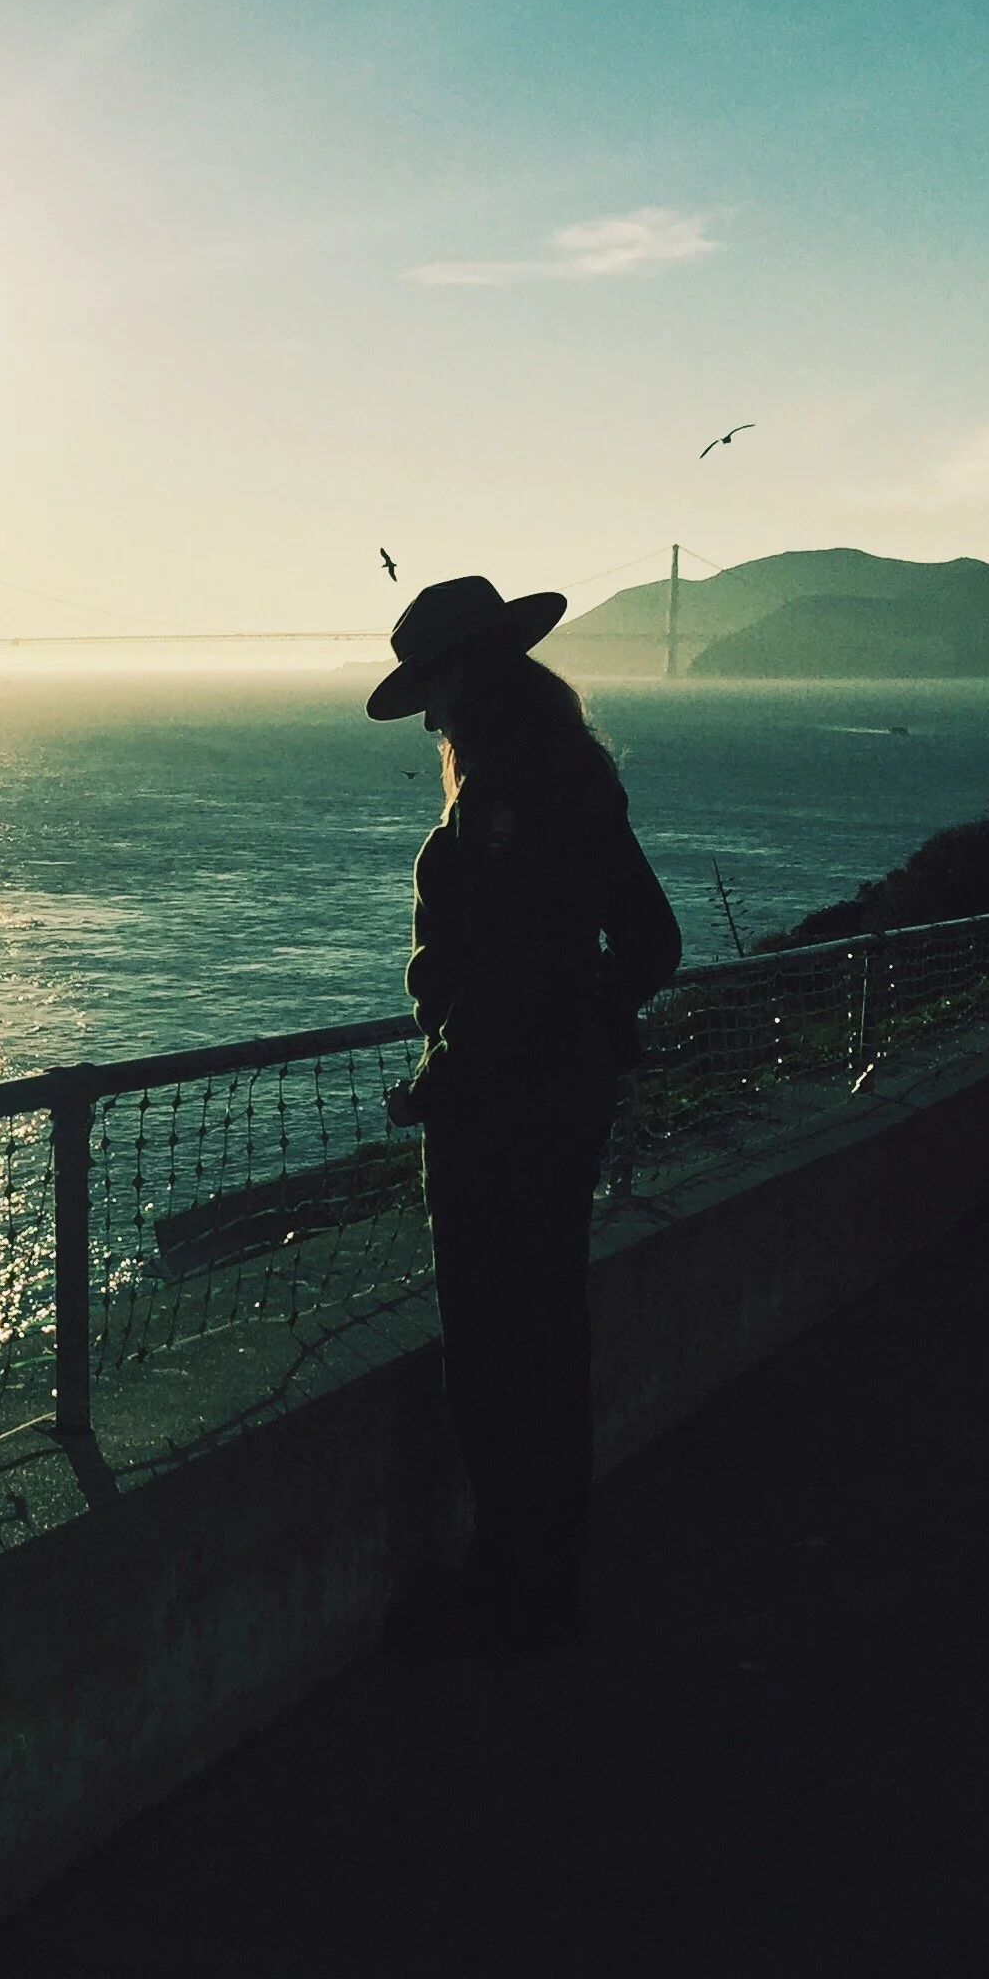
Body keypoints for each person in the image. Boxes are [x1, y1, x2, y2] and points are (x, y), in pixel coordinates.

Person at [367, 575, 681, 1653]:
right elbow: (652, 944)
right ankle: (546, 1579)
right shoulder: (581, 775)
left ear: (469, 673)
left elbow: (500, 978)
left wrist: (438, 1083)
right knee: (551, 1335)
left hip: (495, 1116)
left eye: (433, 689)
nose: (430, 719)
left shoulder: (502, 795)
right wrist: (593, 1023)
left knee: (492, 1347)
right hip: (567, 1103)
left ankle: (509, 1590)